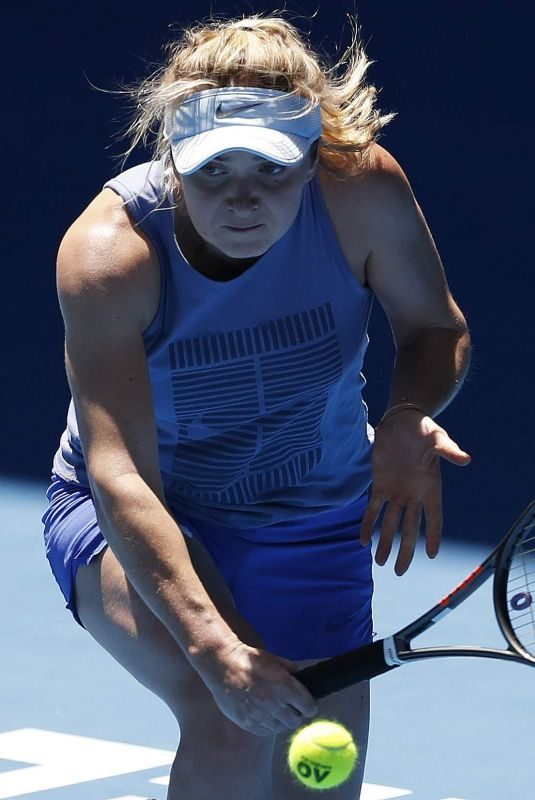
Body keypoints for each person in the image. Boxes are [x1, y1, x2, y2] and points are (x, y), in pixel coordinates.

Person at [42, 14, 472, 800]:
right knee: (227, 719)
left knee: (320, 772)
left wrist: (408, 413)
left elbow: (433, 326)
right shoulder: (110, 255)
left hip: (311, 516)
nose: (242, 200)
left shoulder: (363, 192)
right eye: (213, 172)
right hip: (146, 514)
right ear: (173, 156)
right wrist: (212, 645)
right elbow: (120, 475)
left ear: (313, 158)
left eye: (271, 171)